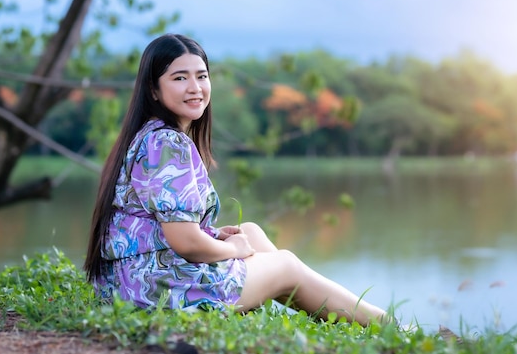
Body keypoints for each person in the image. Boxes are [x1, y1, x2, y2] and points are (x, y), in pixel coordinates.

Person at [83, 34, 392, 327]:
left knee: (252, 233)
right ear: (153, 89)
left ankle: (302, 302)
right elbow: (186, 242)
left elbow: (161, 230)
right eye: (180, 78)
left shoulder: (148, 135)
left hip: (131, 285)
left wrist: (218, 236)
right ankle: (391, 326)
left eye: (202, 76)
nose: (195, 87)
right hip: (156, 293)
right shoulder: (167, 143)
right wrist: (233, 250)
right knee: (285, 265)